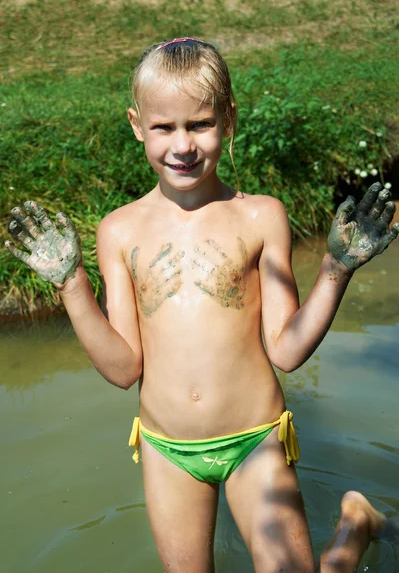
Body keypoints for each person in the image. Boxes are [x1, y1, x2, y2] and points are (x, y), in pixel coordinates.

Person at [5, 37, 399, 572]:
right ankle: (357, 519)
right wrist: (71, 284)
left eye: (200, 124)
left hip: (255, 441)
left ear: (228, 119)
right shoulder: (118, 231)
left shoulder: (261, 216)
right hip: (168, 451)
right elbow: (124, 370)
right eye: (164, 127)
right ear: (136, 124)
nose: (182, 145)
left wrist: (336, 270)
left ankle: (354, 526)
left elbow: (286, 351)